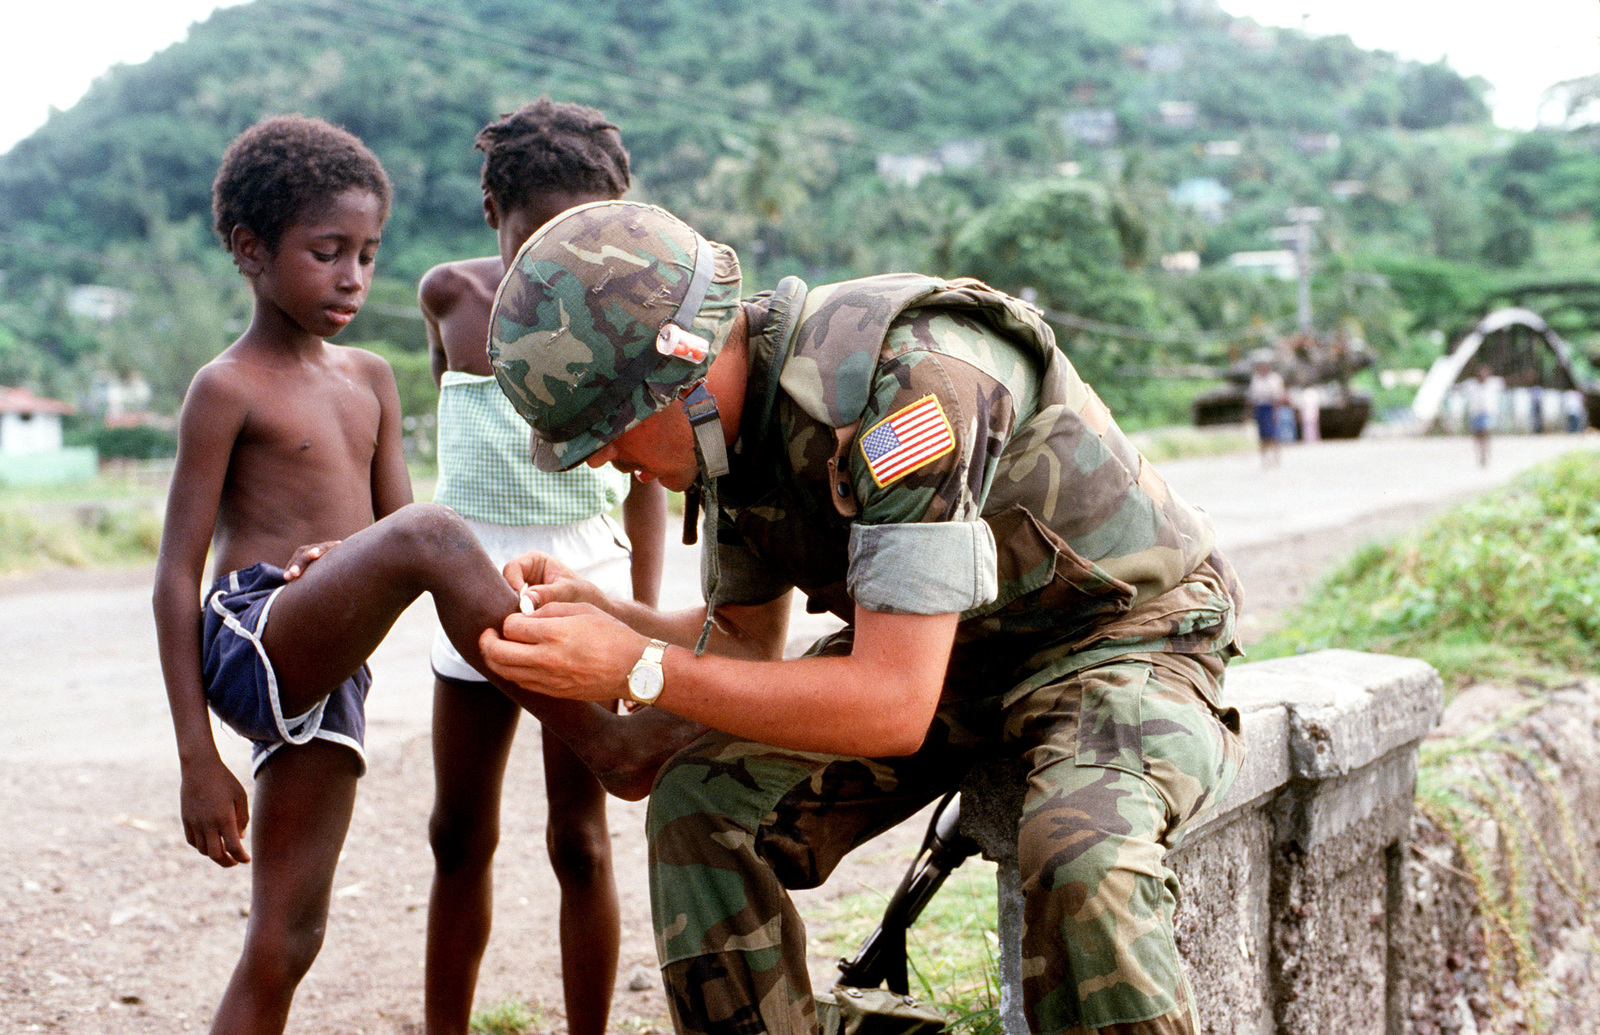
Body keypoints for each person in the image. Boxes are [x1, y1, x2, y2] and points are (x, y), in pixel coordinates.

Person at [475, 201, 1246, 1035]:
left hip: (1116, 635)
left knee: (1082, 856)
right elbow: (743, 640)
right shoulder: (724, 430)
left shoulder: (908, 389)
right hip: (946, 653)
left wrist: (637, 666)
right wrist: (615, 619)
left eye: (609, 429)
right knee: (702, 802)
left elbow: (889, 703)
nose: (601, 457)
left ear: (684, 369)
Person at [152, 118, 683, 1035]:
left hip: (332, 677)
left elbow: (391, 535)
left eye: (366, 254)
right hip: (254, 634)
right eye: (328, 253)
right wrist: (197, 758)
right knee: (439, 537)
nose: (354, 276)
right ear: (250, 249)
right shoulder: (226, 385)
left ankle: (605, 736)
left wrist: (352, 560)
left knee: (286, 939)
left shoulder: (370, 379)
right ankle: (615, 745)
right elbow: (175, 576)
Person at [417, 99, 667, 1035]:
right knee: (456, 833)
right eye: (534, 236)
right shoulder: (448, 297)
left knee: (580, 838)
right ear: (493, 214)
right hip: (468, 576)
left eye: (580, 234)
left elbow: (644, 471)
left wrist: (639, 617)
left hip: (579, 579)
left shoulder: (624, 312)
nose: (556, 257)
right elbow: (449, 447)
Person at [1247, 353, 1287, 467]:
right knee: (1262, 435)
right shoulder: (1256, 379)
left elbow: (1278, 396)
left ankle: (1276, 458)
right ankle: (1265, 459)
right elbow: (1252, 397)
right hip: (1260, 408)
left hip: (1271, 407)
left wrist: (1275, 412)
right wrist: (1250, 412)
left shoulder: (1274, 379)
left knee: (1273, 434)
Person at [1463, 364, 1499, 467]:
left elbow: (1510, 381)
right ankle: (1481, 453)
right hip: (1475, 414)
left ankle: (1484, 454)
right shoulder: (1471, 384)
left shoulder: (1493, 383)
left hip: (1487, 413)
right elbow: (1459, 388)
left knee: (1485, 432)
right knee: (1477, 436)